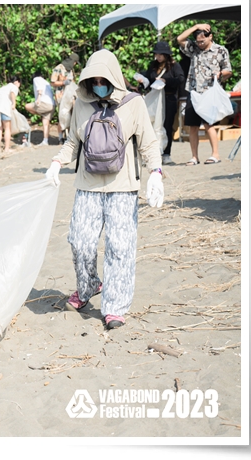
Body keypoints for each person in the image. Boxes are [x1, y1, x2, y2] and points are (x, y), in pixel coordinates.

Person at [44, 49, 164, 330]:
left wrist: (155, 173)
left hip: (123, 188)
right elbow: (73, 142)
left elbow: (148, 142)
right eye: (93, 79)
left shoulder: (134, 104)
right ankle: (88, 286)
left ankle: (115, 307)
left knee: (120, 248)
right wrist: (56, 162)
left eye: (103, 78)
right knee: (80, 242)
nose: (98, 83)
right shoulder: (81, 104)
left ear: (114, 77)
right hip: (87, 186)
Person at [177, 23, 232, 165]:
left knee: (209, 123)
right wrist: (196, 27)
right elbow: (180, 39)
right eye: (198, 41)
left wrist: (220, 74)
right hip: (193, 90)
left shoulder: (221, 50)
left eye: (203, 41)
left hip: (210, 92)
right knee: (192, 125)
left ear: (210, 36)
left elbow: (228, 71)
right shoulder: (194, 49)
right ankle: (194, 157)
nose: (200, 43)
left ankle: (215, 154)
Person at [135, 41, 185, 165]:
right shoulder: (153, 66)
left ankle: (166, 153)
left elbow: (180, 79)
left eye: (159, 55)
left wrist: (165, 81)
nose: (157, 57)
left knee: (167, 126)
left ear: (166, 55)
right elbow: (149, 79)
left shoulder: (174, 66)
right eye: (156, 54)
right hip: (155, 100)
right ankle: (153, 153)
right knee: (152, 125)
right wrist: (143, 81)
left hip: (169, 99)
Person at [51, 53, 80, 142]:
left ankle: (70, 137)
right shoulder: (58, 69)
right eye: (75, 62)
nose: (75, 64)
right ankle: (61, 137)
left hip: (70, 96)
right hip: (61, 96)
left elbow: (72, 81)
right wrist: (63, 83)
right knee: (62, 115)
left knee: (72, 115)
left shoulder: (70, 70)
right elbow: (52, 82)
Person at [24, 71, 55, 146]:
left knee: (27, 106)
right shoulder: (46, 82)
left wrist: (38, 98)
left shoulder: (36, 79)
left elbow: (39, 89)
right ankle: (45, 141)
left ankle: (40, 113)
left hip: (44, 103)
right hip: (52, 105)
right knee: (45, 123)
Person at [0, 75, 21, 153]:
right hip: (4, 108)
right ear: (16, 82)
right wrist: (14, 103)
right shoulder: (14, 87)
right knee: (7, 128)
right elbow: (12, 93)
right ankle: (6, 149)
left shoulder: (3, 88)